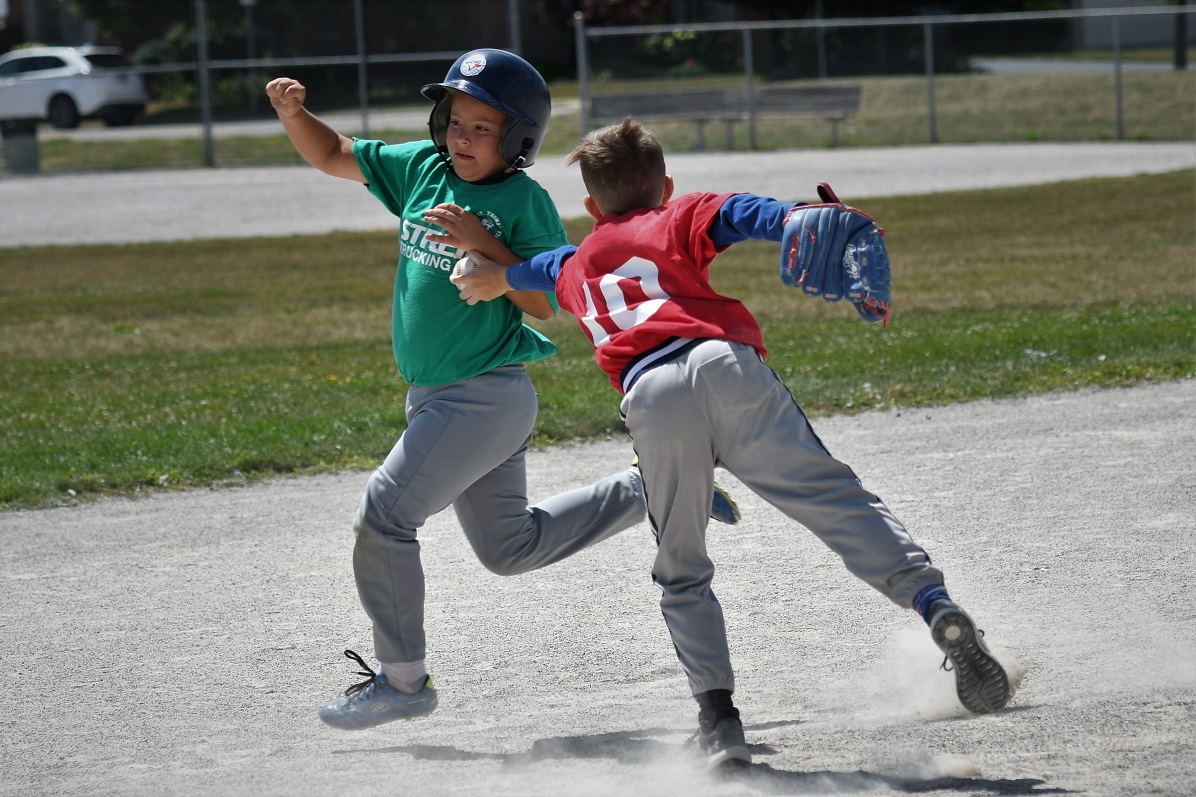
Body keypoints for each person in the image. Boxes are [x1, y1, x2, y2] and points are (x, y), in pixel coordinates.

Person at [451, 117, 1012, 768]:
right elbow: (748, 213)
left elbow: (517, 274)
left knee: (681, 564)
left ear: (591, 207)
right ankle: (933, 604)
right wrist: (797, 217)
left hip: (652, 395)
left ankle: (720, 725)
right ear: (665, 186)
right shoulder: (680, 213)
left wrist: (484, 270)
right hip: (724, 364)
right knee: (835, 500)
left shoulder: (572, 264)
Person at [266, 52, 740, 732]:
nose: (462, 137)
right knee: (509, 548)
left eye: (482, 127)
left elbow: (547, 300)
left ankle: (403, 681)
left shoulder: (523, 202)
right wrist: (295, 115)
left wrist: (484, 242)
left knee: (384, 517)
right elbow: (335, 153)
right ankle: (655, 485)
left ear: (517, 138)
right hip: (437, 397)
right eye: (455, 120)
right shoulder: (422, 169)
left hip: (483, 397)